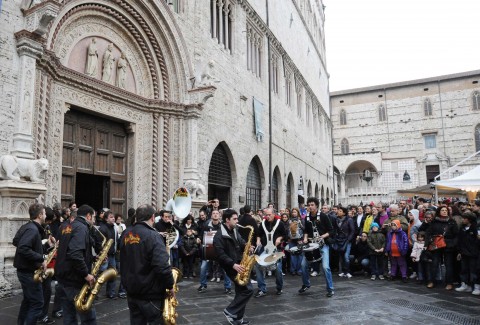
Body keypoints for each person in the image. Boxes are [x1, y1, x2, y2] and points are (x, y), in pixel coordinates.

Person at [120, 204, 174, 324]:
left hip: (132, 291)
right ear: (153, 217)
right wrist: (170, 285)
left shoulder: (125, 234)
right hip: (150, 294)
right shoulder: (153, 236)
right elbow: (162, 266)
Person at [55, 204, 99, 325]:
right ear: (88, 216)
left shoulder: (67, 226)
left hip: (63, 278)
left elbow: (66, 250)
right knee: (88, 318)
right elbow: (75, 254)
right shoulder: (81, 228)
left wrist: (93, 257)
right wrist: (86, 274)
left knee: (69, 317)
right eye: (94, 217)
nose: (94, 220)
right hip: (75, 280)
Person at [13, 203, 55, 325]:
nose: (46, 215)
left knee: (28, 300)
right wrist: (41, 258)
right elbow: (23, 247)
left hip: (24, 270)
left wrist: (42, 245)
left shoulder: (27, 226)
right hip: (28, 272)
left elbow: (16, 241)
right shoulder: (32, 229)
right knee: (37, 303)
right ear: (40, 215)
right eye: (45, 213)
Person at [214, 209, 253, 325]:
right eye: (234, 219)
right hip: (232, 266)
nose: (237, 221)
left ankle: (238, 319)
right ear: (227, 220)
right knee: (248, 290)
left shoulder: (234, 230)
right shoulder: (219, 236)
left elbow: (240, 242)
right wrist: (233, 265)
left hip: (240, 263)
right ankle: (230, 311)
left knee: (241, 291)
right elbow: (220, 255)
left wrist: (247, 246)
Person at [301, 197, 335, 297]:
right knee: (303, 265)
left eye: (312, 205)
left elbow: (331, 231)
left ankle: (330, 288)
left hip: (323, 244)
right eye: (309, 205)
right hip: (311, 244)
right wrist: (305, 238)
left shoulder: (323, 216)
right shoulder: (307, 217)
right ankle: (306, 284)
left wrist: (322, 236)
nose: (310, 207)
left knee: (325, 267)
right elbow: (306, 231)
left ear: (316, 206)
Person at [421, 206, 458, 289]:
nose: (444, 212)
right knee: (434, 263)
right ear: (439, 211)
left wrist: (452, 243)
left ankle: (449, 283)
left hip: (448, 245)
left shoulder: (451, 222)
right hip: (436, 245)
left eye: (446, 210)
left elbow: (456, 235)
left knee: (448, 265)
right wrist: (427, 243)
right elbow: (428, 233)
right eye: (442, 210)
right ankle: (432, 281)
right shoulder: (434, 221)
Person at [253, 207, 286, 297]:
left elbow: (285, 235)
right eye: (266, 215)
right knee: (258, 266)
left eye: (269, 215)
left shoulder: (280, 224)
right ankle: (262, 289)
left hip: (276, 249)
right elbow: (258, 235)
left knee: (278, 269)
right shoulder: (263, 223)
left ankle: (279, 287)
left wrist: (280, 238)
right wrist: (258, 241)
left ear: (274, 214)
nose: (267, 217)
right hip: (265, 248)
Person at [197, 210, 232, 293]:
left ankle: (228, 287)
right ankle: (203, 285)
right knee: (203, 268)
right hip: (209, 251)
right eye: (214, 213)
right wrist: (199, 239)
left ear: (219, 216)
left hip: (220, 251)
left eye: (217, 214)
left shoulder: (223, 226)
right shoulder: (206, 225)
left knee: (225, 269)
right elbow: (201, 235)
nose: (215, 215)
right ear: (211, 216)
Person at [455, 212, 478, 293]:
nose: (462, 220)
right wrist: (459, 251)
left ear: (469, 220)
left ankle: (476, 286)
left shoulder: (475, 228)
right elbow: (460, 241)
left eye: (464, 218)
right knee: (464, 269)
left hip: (473, 253)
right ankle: (465, 284)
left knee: (473, 270)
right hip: (464, 252)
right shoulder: (462, 228)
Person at [99, 210, 119, 299]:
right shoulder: (102, 228)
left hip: (112, 255)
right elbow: (99, 242)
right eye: (111, 217)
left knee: (113, 274)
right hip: (105, 255)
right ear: (106, 219)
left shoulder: (114, 227)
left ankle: (111, 292)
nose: (113, 218)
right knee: (101, 275)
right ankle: (94, 293)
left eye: (113, 217)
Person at [336, 207, 355, 278]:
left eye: (340, 211)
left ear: (344, 213)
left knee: (346, 256)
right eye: (338, 211)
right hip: (339, 240)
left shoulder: (349, 220)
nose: (338, 212)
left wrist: (349, 239)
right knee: (341, 256)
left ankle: (347, 271)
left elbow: (352, 230)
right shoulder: (336, 220)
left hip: (347, 240)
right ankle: (342, 271)